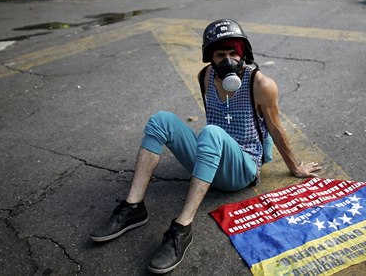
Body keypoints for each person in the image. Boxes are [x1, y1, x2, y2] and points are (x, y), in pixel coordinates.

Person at [89, 19, 322, 274]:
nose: (228, 60)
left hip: (242, 168)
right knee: (160, 120)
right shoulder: (206, 76)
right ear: (209, 57)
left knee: (211, 132)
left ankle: (182, 227)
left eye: (233, 52)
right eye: (220, 54)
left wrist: (295, 167)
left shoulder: (260, 84)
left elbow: (276, 129)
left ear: (243, 53)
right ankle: (133, 206)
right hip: (211, 158)